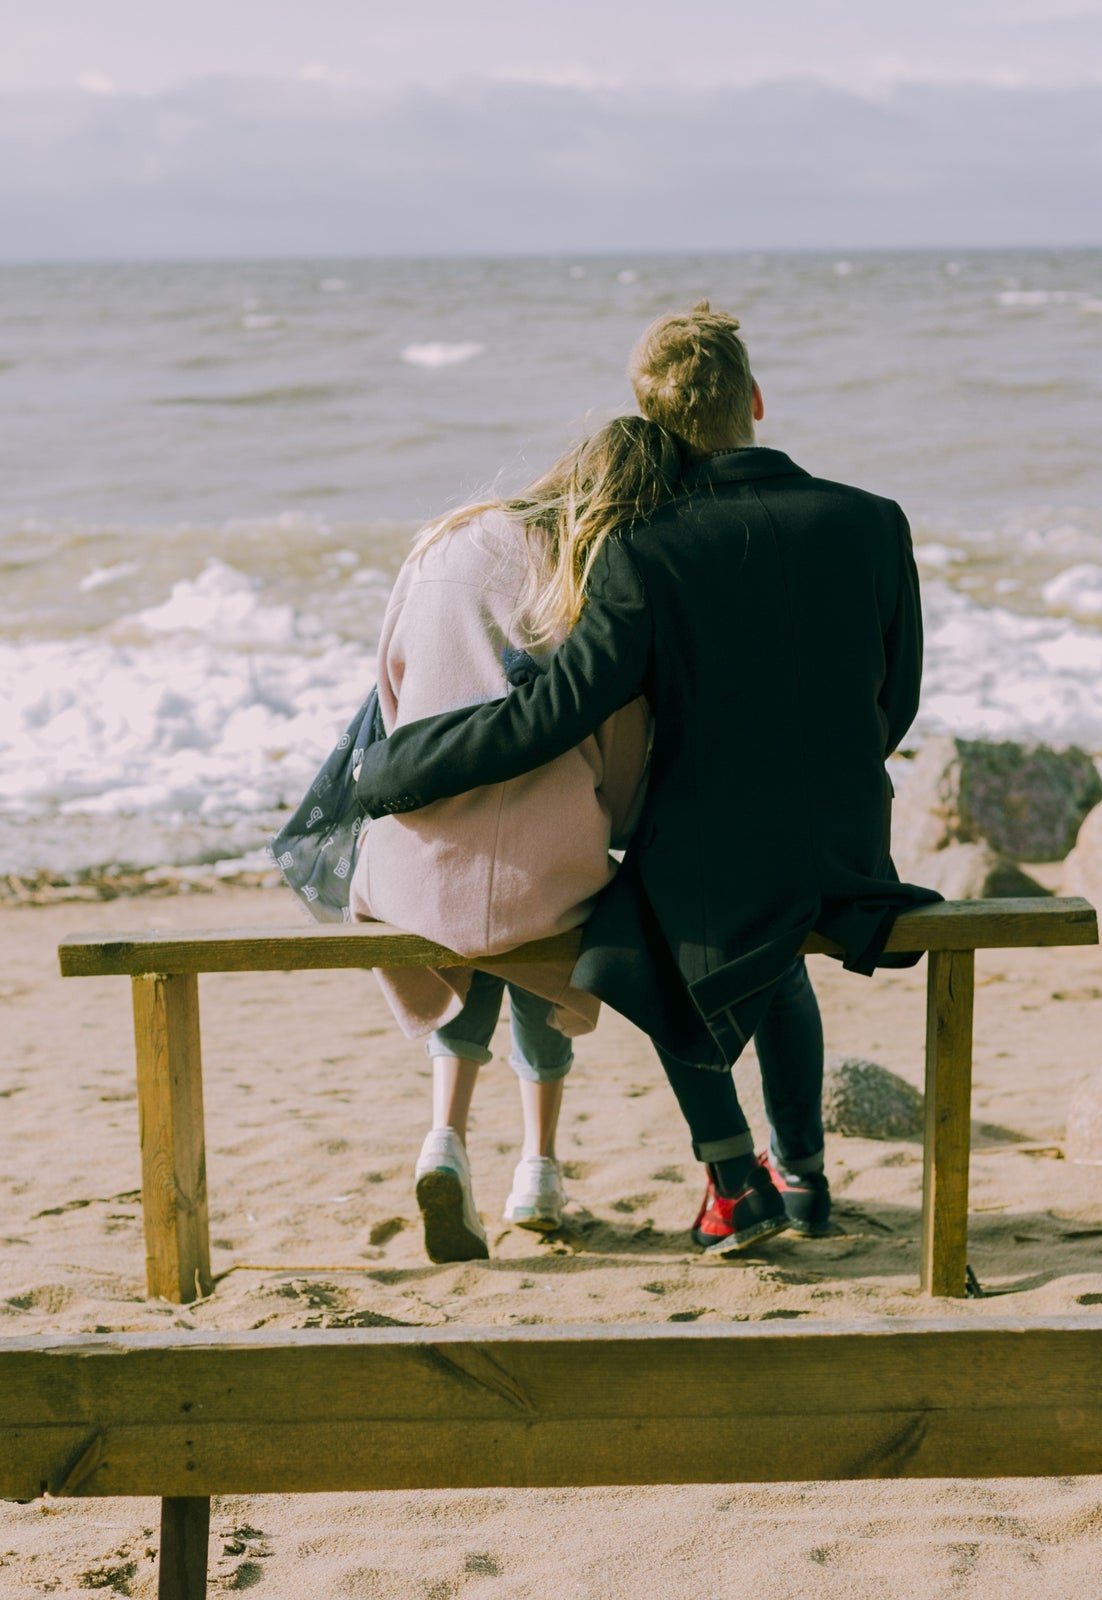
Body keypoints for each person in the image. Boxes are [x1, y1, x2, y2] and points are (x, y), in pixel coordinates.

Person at [356, 302, 939, 1257]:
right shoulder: (874, 521)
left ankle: (730, 1181)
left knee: (637, 937)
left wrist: (396, 771)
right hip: (848, 847)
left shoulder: (644, 549)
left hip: (712, 867)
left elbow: (552, 716)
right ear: (754, 398)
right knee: (779, 947)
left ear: (650, 417)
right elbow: (897, 699)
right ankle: (805, 1176)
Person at [350, 415, 677, 1263]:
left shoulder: (445, 542)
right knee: (542, 911)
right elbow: (620, 753)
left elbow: (389, 685)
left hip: (414, 861)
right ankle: (537, 1164)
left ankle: (444, 1140)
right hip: (539, 875)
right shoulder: (589, 579)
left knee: (466, 917)